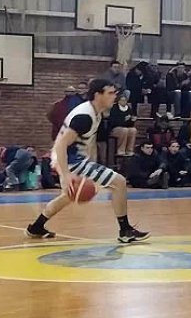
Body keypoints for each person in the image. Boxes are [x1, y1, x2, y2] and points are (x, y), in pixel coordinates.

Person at [24, 79, 149, 242]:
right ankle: (125, 231)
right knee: (119, 182)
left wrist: (92, 163)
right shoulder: (85, 116)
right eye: (110, 93)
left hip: (71, 158)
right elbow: (61, 143)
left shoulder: (95, 111)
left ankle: (36, 227)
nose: (115, 97)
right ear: (98, 95)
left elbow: (86, 141)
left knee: (68, 196)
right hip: (70, 160)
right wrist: (66, 174)